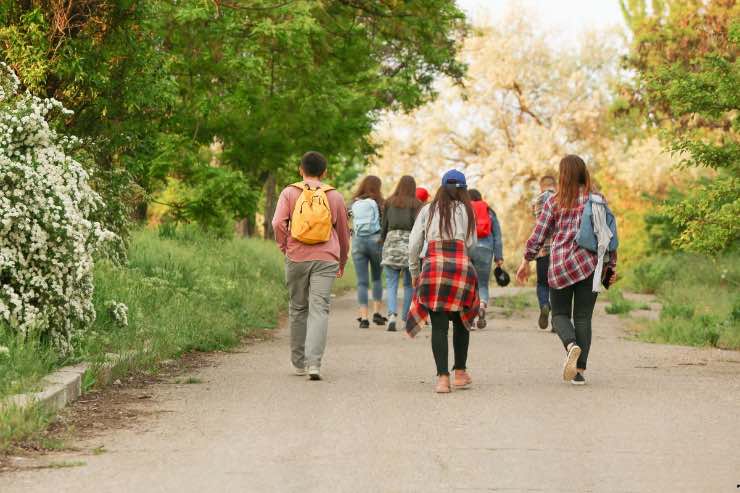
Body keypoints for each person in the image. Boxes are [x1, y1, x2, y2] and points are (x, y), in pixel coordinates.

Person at [516, 155, 618, 385]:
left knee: (560, 314)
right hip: (588, 265)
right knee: (583, 317)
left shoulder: (554, 202)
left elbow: (539, 235)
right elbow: (606, 236)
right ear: (583, 173)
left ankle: (571, 345)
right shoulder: (597, 200)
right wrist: (611, 265)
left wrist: (526, 260)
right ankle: (579, 372)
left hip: (561, 265)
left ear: (562, 175)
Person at [272, 151, 350, 381]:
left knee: (298, 308)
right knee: (319, 310)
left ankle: (299, 363)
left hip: (296, 256)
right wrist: (342, 260)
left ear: (301, 169)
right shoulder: (334, 196)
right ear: (324, 172)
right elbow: (344, 233)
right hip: (326, 259)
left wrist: (284, 245)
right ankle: (314, 364)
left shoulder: (289, 192)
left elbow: (277, 222)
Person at [406, 170, 479, 394]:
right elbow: (472, 243)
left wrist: (415, 271)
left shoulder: (428, 209)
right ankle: (459, 373)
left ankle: (442, 379)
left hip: (434, 267)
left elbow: (414, 244)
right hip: (460, 267)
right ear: (463, 190)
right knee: (460, 321)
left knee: (439, 326)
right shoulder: (467, 211)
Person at [380, 175, 423, 332]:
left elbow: (383, 225)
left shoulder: (389, 202)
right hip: (409, 244)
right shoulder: (417, 204)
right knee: (408, 284)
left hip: (391, 242)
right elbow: (419, 228)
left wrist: (382, 240)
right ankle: (406, 318)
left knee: (391, 283)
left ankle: (391, 316)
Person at [350, 175, 386, 328]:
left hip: (358, 241)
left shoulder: (354, 202)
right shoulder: (380, 203)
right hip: (376, 241)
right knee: (377, 278)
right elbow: (385, 223)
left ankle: (364, 318)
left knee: (362, 282)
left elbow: (345, 219)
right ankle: (376, 313)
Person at [468, 189, 504, 329]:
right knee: (482, 284)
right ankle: (482, 305)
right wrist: (499, 256)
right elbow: (497, 236)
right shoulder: (489, 211)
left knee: (469, 285)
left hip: (468, 248)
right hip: (485, 249)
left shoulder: (464, 210)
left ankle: (469, 319)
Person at [532, 175, 556, 331]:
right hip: (560, 252)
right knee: (558, 286)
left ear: (541, 186)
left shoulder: (537, 201)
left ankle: (544, 305)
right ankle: (557, 321)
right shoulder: (561, 199)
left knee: (542, 284)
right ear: (555, 186)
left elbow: (538, 226)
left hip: (542, 251)